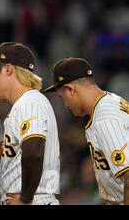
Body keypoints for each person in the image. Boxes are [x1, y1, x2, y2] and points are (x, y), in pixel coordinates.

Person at [0, 42, 60, 205]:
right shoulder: (25, 103)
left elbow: (33, 151)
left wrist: (25, 198)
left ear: (8, 69)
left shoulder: (30, 101)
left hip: (34, 200)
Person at [43, 57, 129, 205]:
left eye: (62, 97)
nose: (65, 105)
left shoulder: (105, 118)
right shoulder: (111, 101)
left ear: (71, 89)